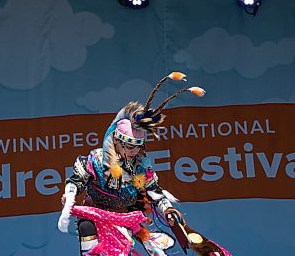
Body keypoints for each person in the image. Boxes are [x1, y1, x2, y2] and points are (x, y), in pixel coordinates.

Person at [58, 72, 219, 256]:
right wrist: (69, 197)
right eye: (128, 146)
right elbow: (76, 181)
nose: (133, 151)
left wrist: (168, 209)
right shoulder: (96, 160)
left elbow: (154, 192)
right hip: (95, 216)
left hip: (126, 220)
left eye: (137, 146)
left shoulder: (141, 167)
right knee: (87, 229)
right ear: (117, 141)